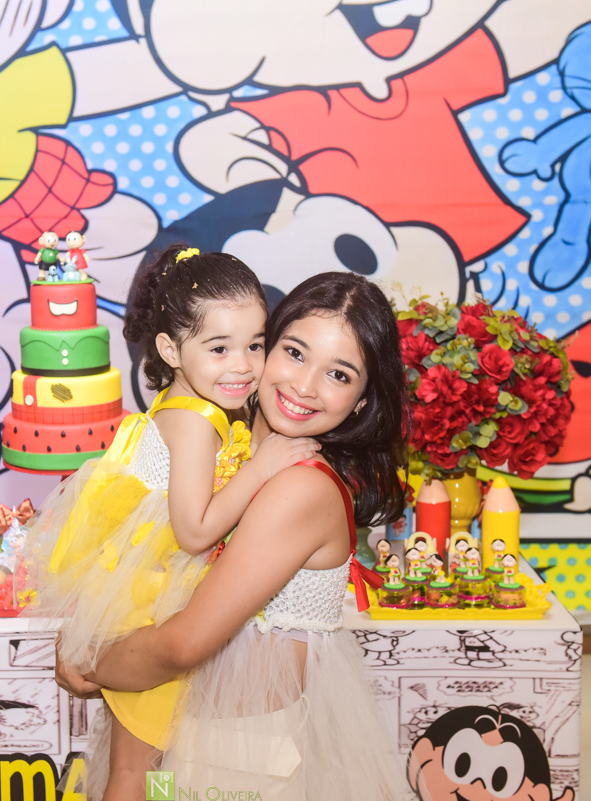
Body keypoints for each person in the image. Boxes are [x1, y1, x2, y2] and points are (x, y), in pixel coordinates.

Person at [57, 272, 410, 799]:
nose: (304, 386)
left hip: (237, 758)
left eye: (338, 374)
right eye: (294, 353)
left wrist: (89, 660)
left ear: (362, 400)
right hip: (177, 729)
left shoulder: (301, 487)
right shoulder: (228, 434)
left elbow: (182, 644)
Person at [25, 245, 318, 800]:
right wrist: (261, 466)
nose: (243, 365)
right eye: (219, 348)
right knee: (136, 769)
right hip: (151, 602)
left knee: (156, 762)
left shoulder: (186, 402)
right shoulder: (195, 421)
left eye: (255, 345)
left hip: (147, 593)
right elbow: (195, 531)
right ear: (169, 349)